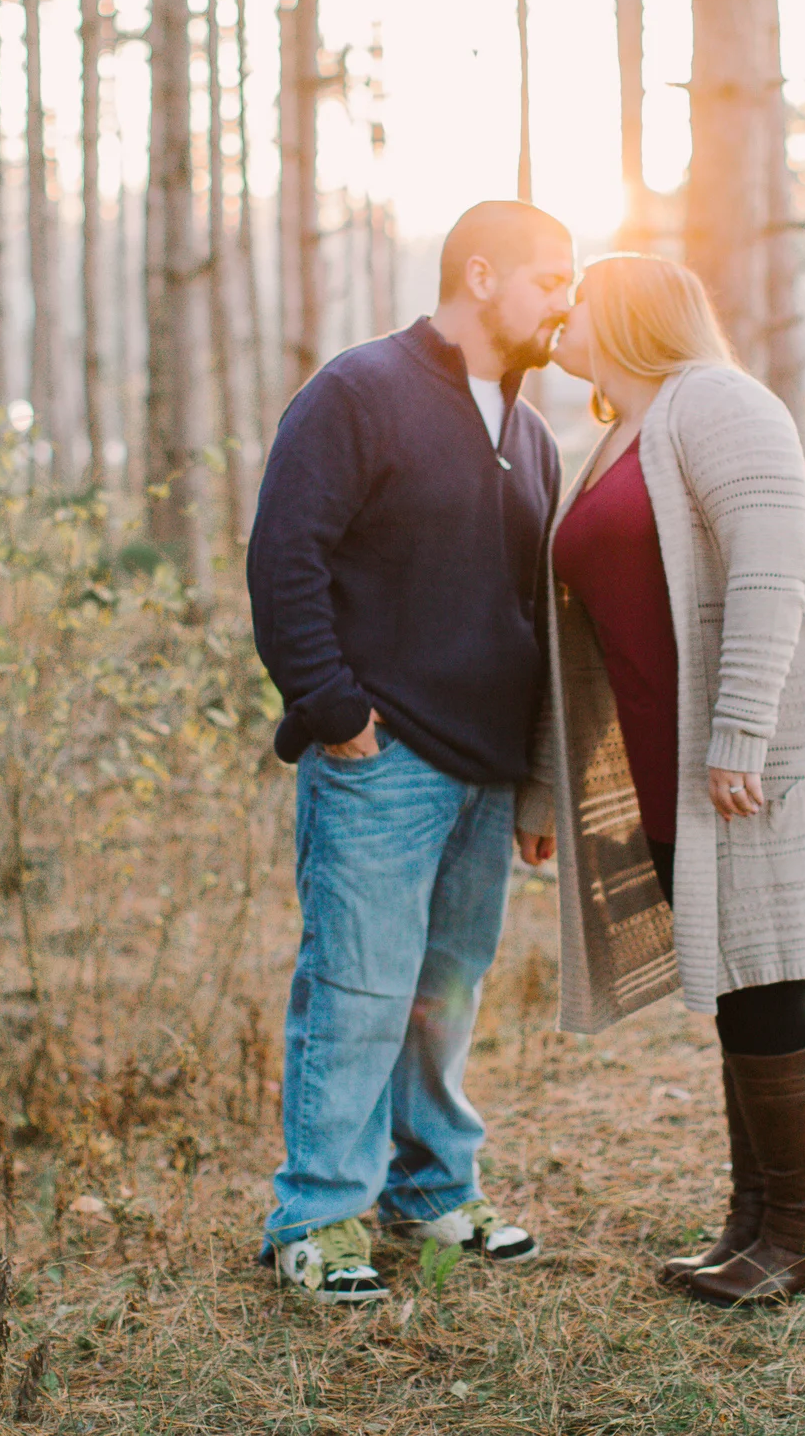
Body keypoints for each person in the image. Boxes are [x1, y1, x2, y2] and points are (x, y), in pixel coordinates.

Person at [519, 253, 805, 1307]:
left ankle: (802, 1236)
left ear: (631, 313)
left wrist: (740, 730)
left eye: (580, 294)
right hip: (667, 762)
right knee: (738, 985)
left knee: (770, 983)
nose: (563, 308)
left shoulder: (723, 403)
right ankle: (754, 1221)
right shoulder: (613, 435)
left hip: (763, 746)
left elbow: (768, 571)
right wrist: (548, 786)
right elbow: (582, 639)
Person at [245, 200, 574, 1303]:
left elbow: (533, 613)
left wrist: (531, 773)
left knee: (446, 989)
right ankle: (320, 1214)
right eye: (550, 281)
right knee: (356, 986)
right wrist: (335, 708)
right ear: (481, 275)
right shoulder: (358, 392)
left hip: (484, 774)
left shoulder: (529, 432)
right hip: (381, 761)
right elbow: (284, 554)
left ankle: (432, 1191)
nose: (565, 306)